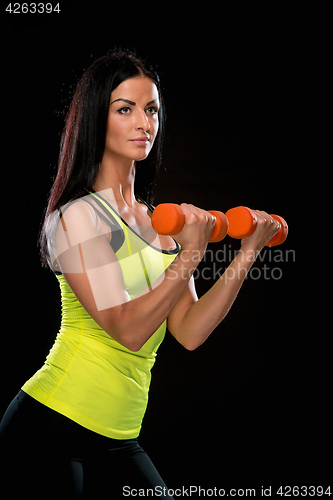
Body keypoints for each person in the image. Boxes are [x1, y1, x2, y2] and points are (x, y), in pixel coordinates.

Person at [0, 49, 280, 498]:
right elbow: (127, 330)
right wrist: (191, 253)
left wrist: (246, 253)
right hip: (51, 424)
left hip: (119, 435)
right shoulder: (79, 218)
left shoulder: (161, 224)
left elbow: (188, 331)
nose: (143, 122)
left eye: (151, 110)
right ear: (97, 118)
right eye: (125, 109)